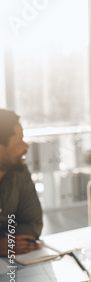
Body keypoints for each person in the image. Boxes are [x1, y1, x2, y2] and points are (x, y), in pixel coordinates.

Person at [0, 109, 43, 256]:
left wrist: (10, 241)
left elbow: (33, 223)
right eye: (19, 141)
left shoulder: (20, 171)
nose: (26, 147)